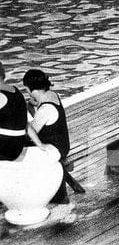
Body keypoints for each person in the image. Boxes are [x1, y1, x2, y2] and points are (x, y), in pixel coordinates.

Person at [22, 69, 71, 205]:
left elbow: (31, 132)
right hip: (63, 144)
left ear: (29, 89)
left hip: (54, 149)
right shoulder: (52, 95)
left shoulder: (45, 109)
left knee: (17, 151)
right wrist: (32, 105)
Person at [0, 62, 42, 161]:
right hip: (17, 147)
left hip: (4, 149)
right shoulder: (16, 91)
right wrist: (40, 144)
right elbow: (25, 124)